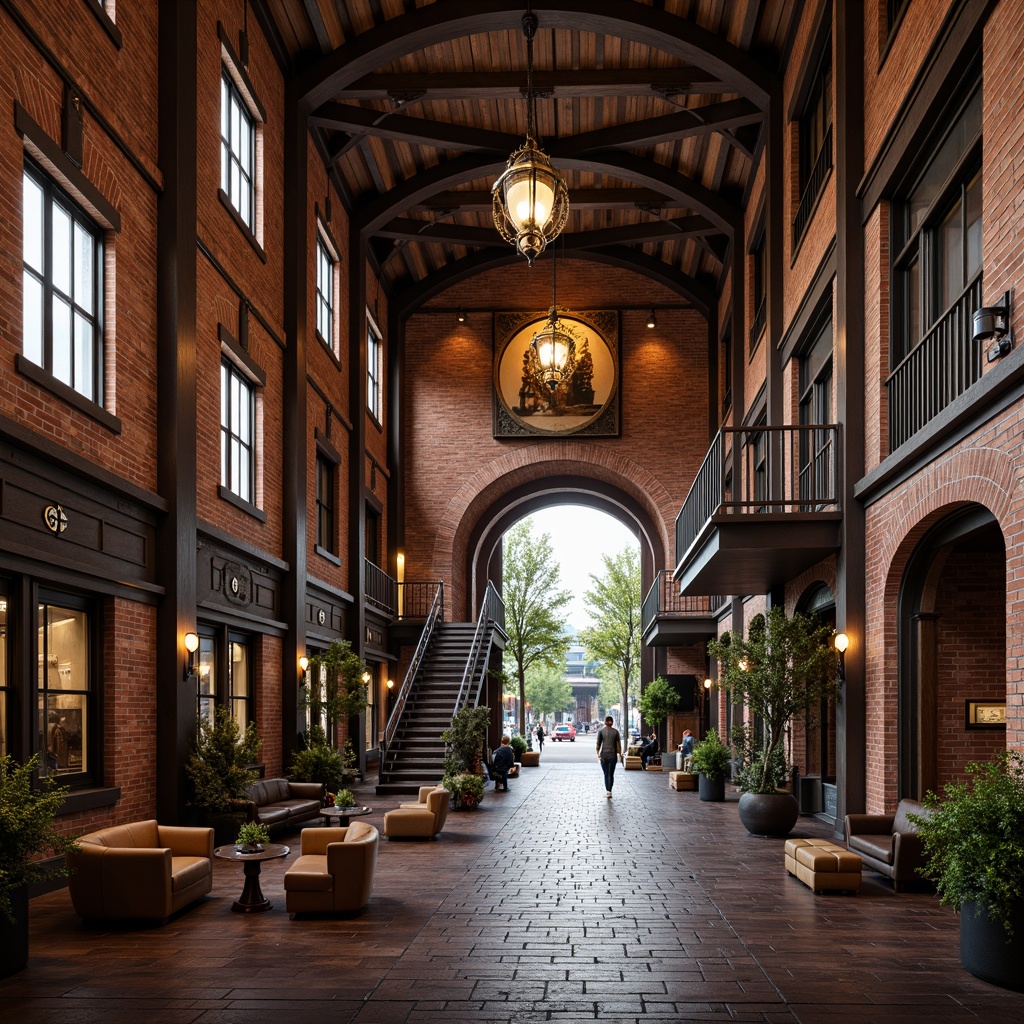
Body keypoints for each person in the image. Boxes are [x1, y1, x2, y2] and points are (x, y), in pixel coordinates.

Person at [595, 715, 622, 798]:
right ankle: (609, 790)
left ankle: (607, 790)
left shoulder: (601, 731)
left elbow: (598, 743)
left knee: (606, 774)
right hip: (612, 755)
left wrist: (597, 754)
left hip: (603, 755)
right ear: (612, 722)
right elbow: (618, 745)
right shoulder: (616, 732)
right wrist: (619, 754)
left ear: (605, 722)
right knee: (611, 774)